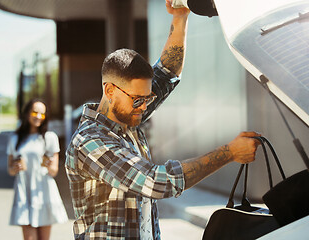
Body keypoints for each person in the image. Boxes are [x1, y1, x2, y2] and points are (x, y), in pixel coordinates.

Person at [65, 1, 261, 239]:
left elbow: (167, 71)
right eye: (137, 100)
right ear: (109, 91)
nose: (144, 107)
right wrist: (228, 153)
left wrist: (180, 18)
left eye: (147, 98)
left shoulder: (129, 116)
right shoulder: (90, 142)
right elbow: (156, 182)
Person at [7, 99, 68, 240]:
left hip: (43, 191)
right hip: (24, 191)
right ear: (27, 113)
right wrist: (15, 167)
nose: (39, 116)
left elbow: (54, 171)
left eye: (42, 114)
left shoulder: (50, 138)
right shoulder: (14, 139)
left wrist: (48, 164)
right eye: (35, 112)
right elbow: (10, 170)